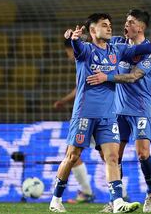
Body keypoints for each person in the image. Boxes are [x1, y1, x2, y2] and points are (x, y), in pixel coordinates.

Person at [49, 13, 151, 213]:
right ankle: (55, 199)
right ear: (94, 30)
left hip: (115, 114)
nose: (112, 27)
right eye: (105, 25)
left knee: (114, 157)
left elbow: (146, 50)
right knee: (72, 156)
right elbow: (77, 47)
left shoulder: (118, 49)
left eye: (111, 24)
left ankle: (119, 201)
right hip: (86, 113)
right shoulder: (87, 50)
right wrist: (72, 38)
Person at [54, 39, 94, 203]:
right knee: (109, 155)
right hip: (99, 112)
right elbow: (81, 87)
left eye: (68, 51)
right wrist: (65, 100)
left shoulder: (86, 59)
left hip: (88, 113)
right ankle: (120, 195)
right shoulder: (91, 58)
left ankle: (86, 192)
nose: (68, 56)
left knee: (72, 154)